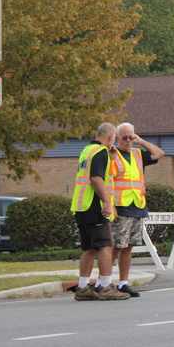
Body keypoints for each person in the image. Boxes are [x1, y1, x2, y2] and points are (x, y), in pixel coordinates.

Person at [70, 123, 130, 301]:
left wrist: (111, 159)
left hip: (82, 205)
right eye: (116, 138)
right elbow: (96, 178)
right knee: (106, 245)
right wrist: (107, 202)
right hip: (95, 205)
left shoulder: (87, 150)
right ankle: (106, 286)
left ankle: (82, 287)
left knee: (90, 248)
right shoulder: (100, 151)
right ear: (111, 137)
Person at [109, 123, 164, 297]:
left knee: (128, 247)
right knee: (115, 246)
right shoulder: (112, 155)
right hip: (120, 207)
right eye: (124, 137)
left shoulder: (138, 154)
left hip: (137, 205)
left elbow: (159, 154)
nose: (128, 140)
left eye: (131, 137)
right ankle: (105, 282)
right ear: (118, 138)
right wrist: (110, 206)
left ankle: (123, 283)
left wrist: (140, 141)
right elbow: (106, 182)